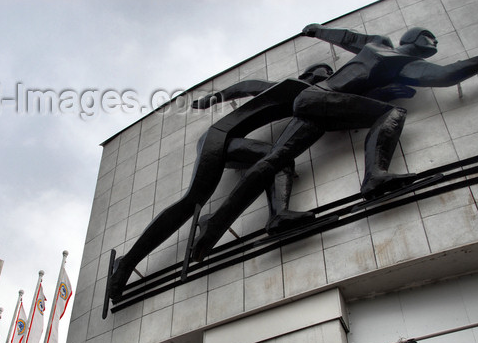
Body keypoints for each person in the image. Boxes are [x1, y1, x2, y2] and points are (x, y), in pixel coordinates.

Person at [190, 25, 478, 262]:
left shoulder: (410, 67)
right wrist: (319, 30)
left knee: (276, 160)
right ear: (411, 38)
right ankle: (375, 176)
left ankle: (221, 223)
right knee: (391, 114)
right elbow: (348, 37)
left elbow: (448, 73)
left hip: (316, 104)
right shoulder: (386, 48)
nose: (434, 42)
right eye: (428, 36)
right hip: (322, 97)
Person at [108, 64, 334, 302]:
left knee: (272, 161)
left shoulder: (304, 92)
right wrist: (214, 98)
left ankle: (128, 261)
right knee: (276, 159)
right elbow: (248, 86)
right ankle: (127, 262)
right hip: (220, 139)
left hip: (221, 141)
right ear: (310, 74)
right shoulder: (293, 86)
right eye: (325, 71)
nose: (329, 76)